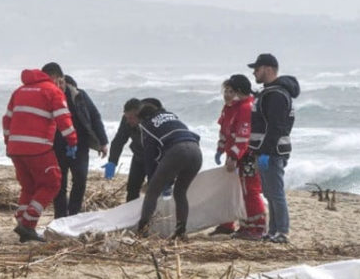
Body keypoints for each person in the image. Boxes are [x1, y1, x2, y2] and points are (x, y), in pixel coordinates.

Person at [2, 63, 78, 242]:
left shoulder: (20, 91)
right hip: (38, 147)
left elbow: (6, 120)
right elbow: (63, 119)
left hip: (15, 148)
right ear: (57, 78)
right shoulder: (52, 91)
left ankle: (22, 221)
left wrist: (9, 142)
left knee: (29, 186)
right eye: (61, 82)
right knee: (52, 182)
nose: (61, 86)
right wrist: (72, 141)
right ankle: (28, 224)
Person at [247, 53, 300, 244]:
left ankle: (282, 232)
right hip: (268, 150)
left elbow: (275, 127)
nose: (254, 72)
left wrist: (265, 152)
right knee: (269, 193)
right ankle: (273, 230)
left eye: (257, 68)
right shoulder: (269, 92)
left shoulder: (276, 94)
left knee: (275, 193)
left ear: (268, 69)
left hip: (272, 152)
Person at [208, 74, 266, 240]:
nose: (226, 94)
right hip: (234, 154)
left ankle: (257, 227)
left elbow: (243, 136)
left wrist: (233, 156)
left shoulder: (246, 108)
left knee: (250, 190)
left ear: (239, 91)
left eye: (230, 91)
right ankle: (228, 224)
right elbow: (225, 130)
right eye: (225, 90)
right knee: (232, 189)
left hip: (247, 156)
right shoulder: (230, 107)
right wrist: (220, 149)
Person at [136, 104, 202, 240]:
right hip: (196, 151)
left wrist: (151, 179)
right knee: (180, 191)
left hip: (178, 151)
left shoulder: (147, 125)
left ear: (143, 118)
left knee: (152, 192)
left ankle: (142, 229)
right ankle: (181, 230)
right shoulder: (172, 116)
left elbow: (150, 156)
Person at [52, 74, 109, 218]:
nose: (59, 86)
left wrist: (102, 141)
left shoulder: (79, 95)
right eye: (56, 83)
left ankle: (74, 215)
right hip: (56, 145)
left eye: (61, 82)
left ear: (65, 81)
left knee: (80, 179)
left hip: (80, 144)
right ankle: (59, 217)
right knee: (59, 183)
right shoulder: (49, 96)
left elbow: (95, 116)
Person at [103, 97, 163, 202]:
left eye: (130, 118)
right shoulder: (127, 120)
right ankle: (130, 215)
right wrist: (112, 161)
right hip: (139, 156)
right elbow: (119, 140)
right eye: (126, 117)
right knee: (132, 188)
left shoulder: (155, 119)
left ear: (139, 115)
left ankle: (152, 214)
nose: (128, 121)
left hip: (156, 159)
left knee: (154, 189)